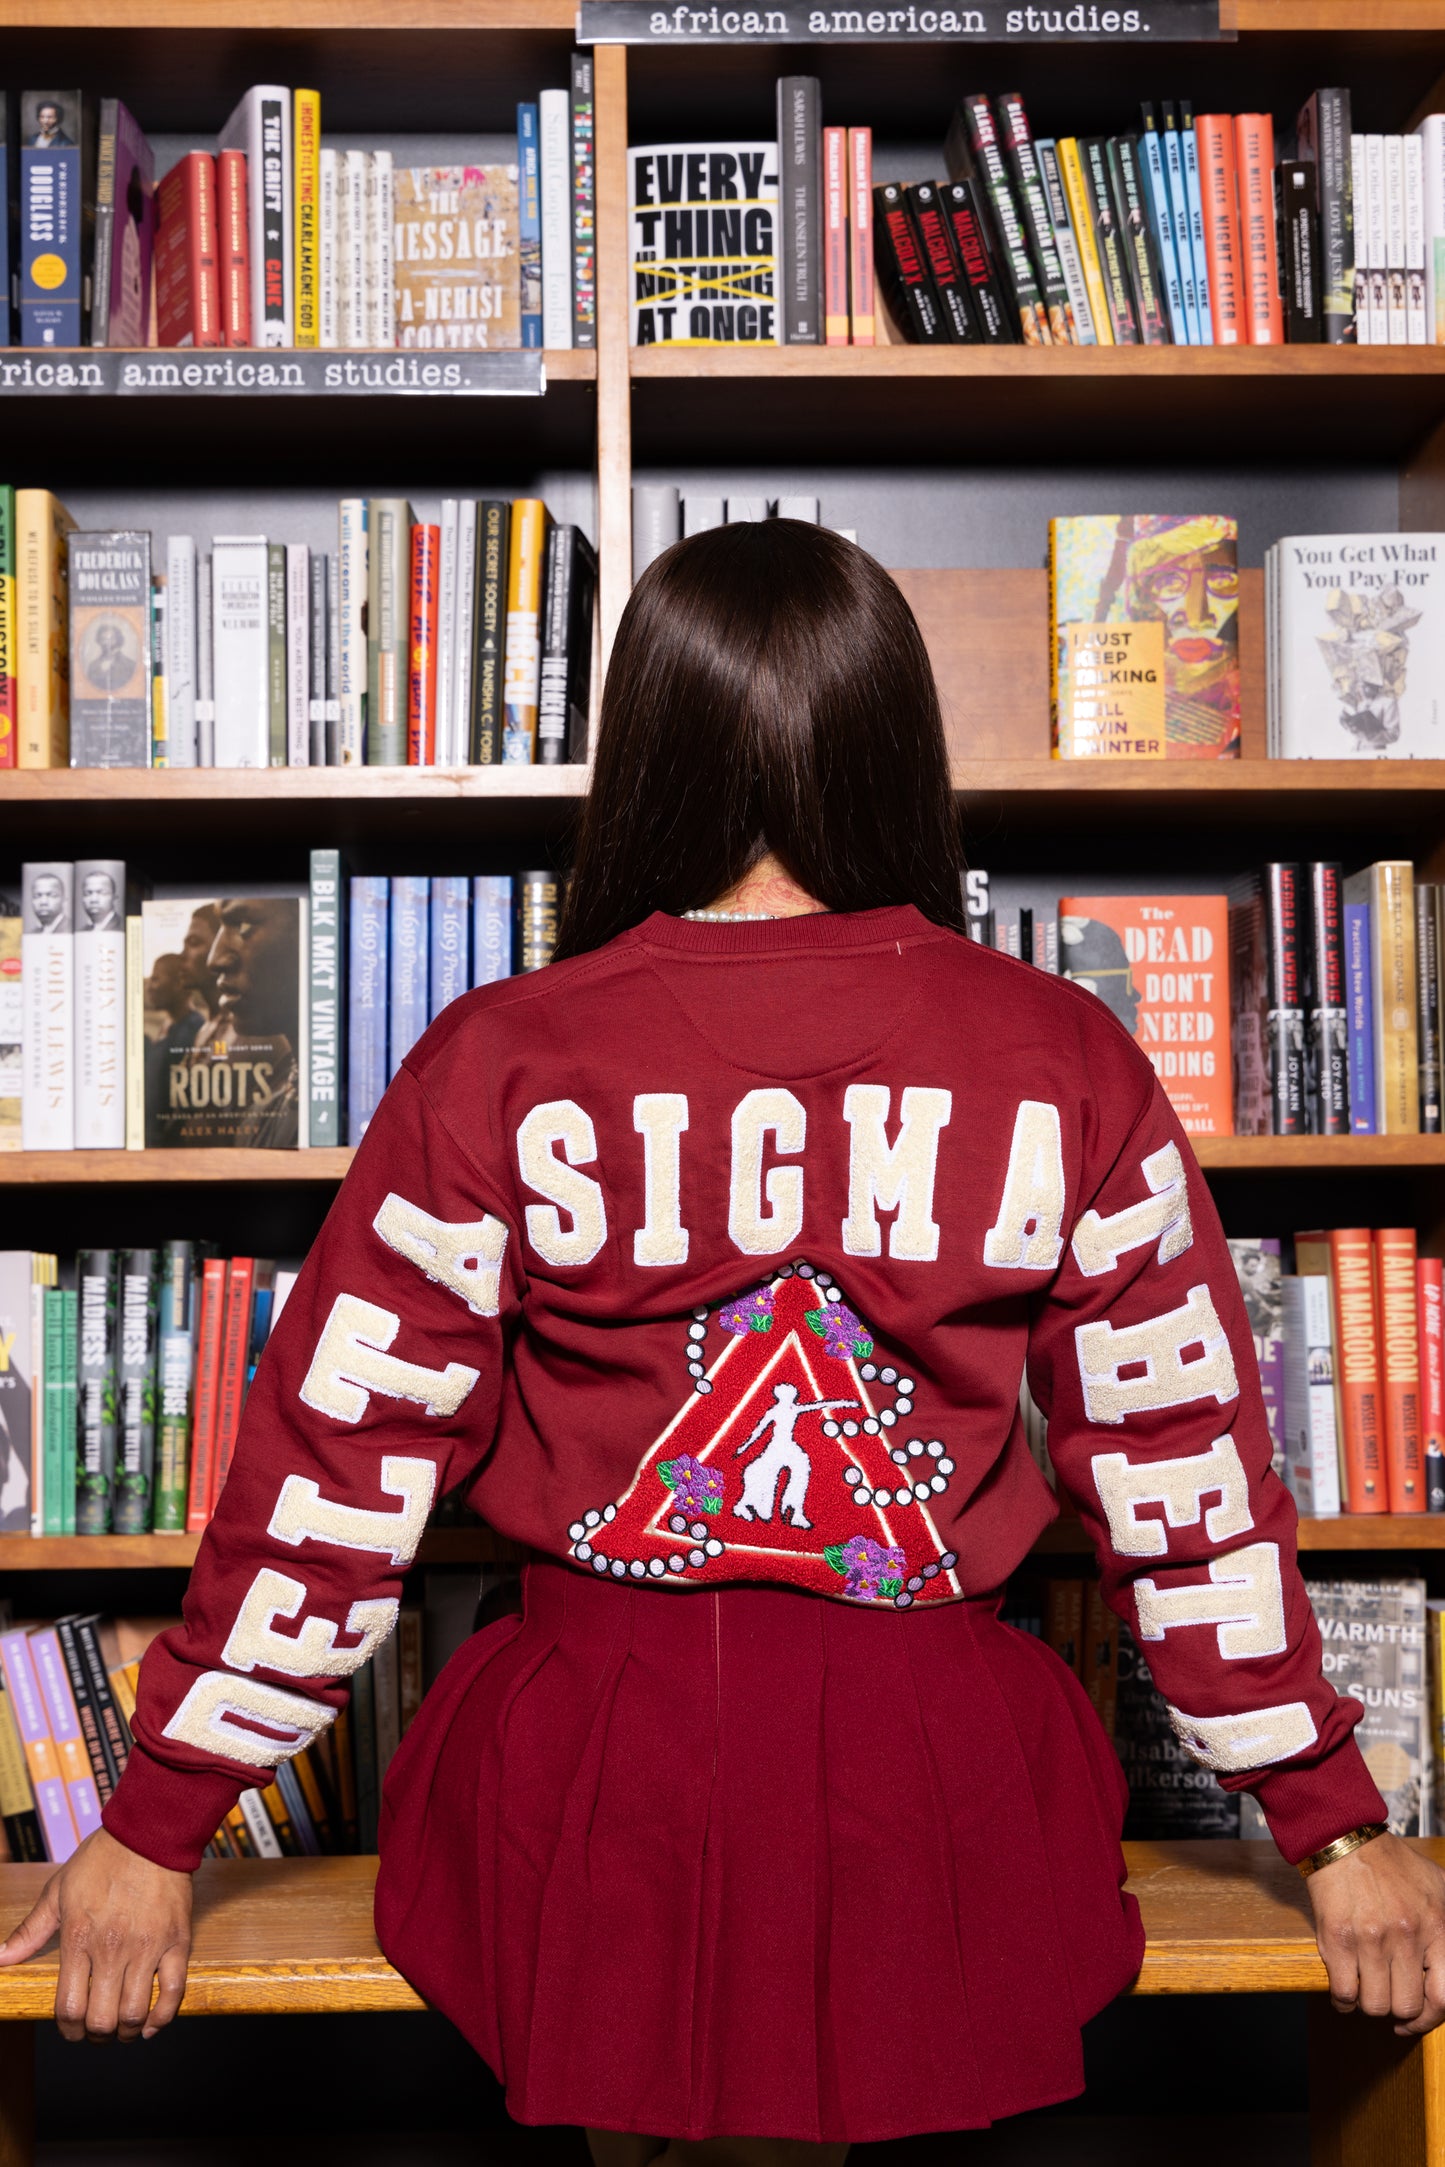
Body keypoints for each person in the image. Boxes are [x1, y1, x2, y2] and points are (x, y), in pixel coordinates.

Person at [5, 524, 1445, 2155]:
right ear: (893, 743)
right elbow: (1180, 1469)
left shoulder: (500, 1055)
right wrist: (1332, 1826)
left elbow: (339, 1470)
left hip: (589, 1778)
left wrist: (157, 1823)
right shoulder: (1065, 1052)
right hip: (935, 1788)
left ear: (644, 748)